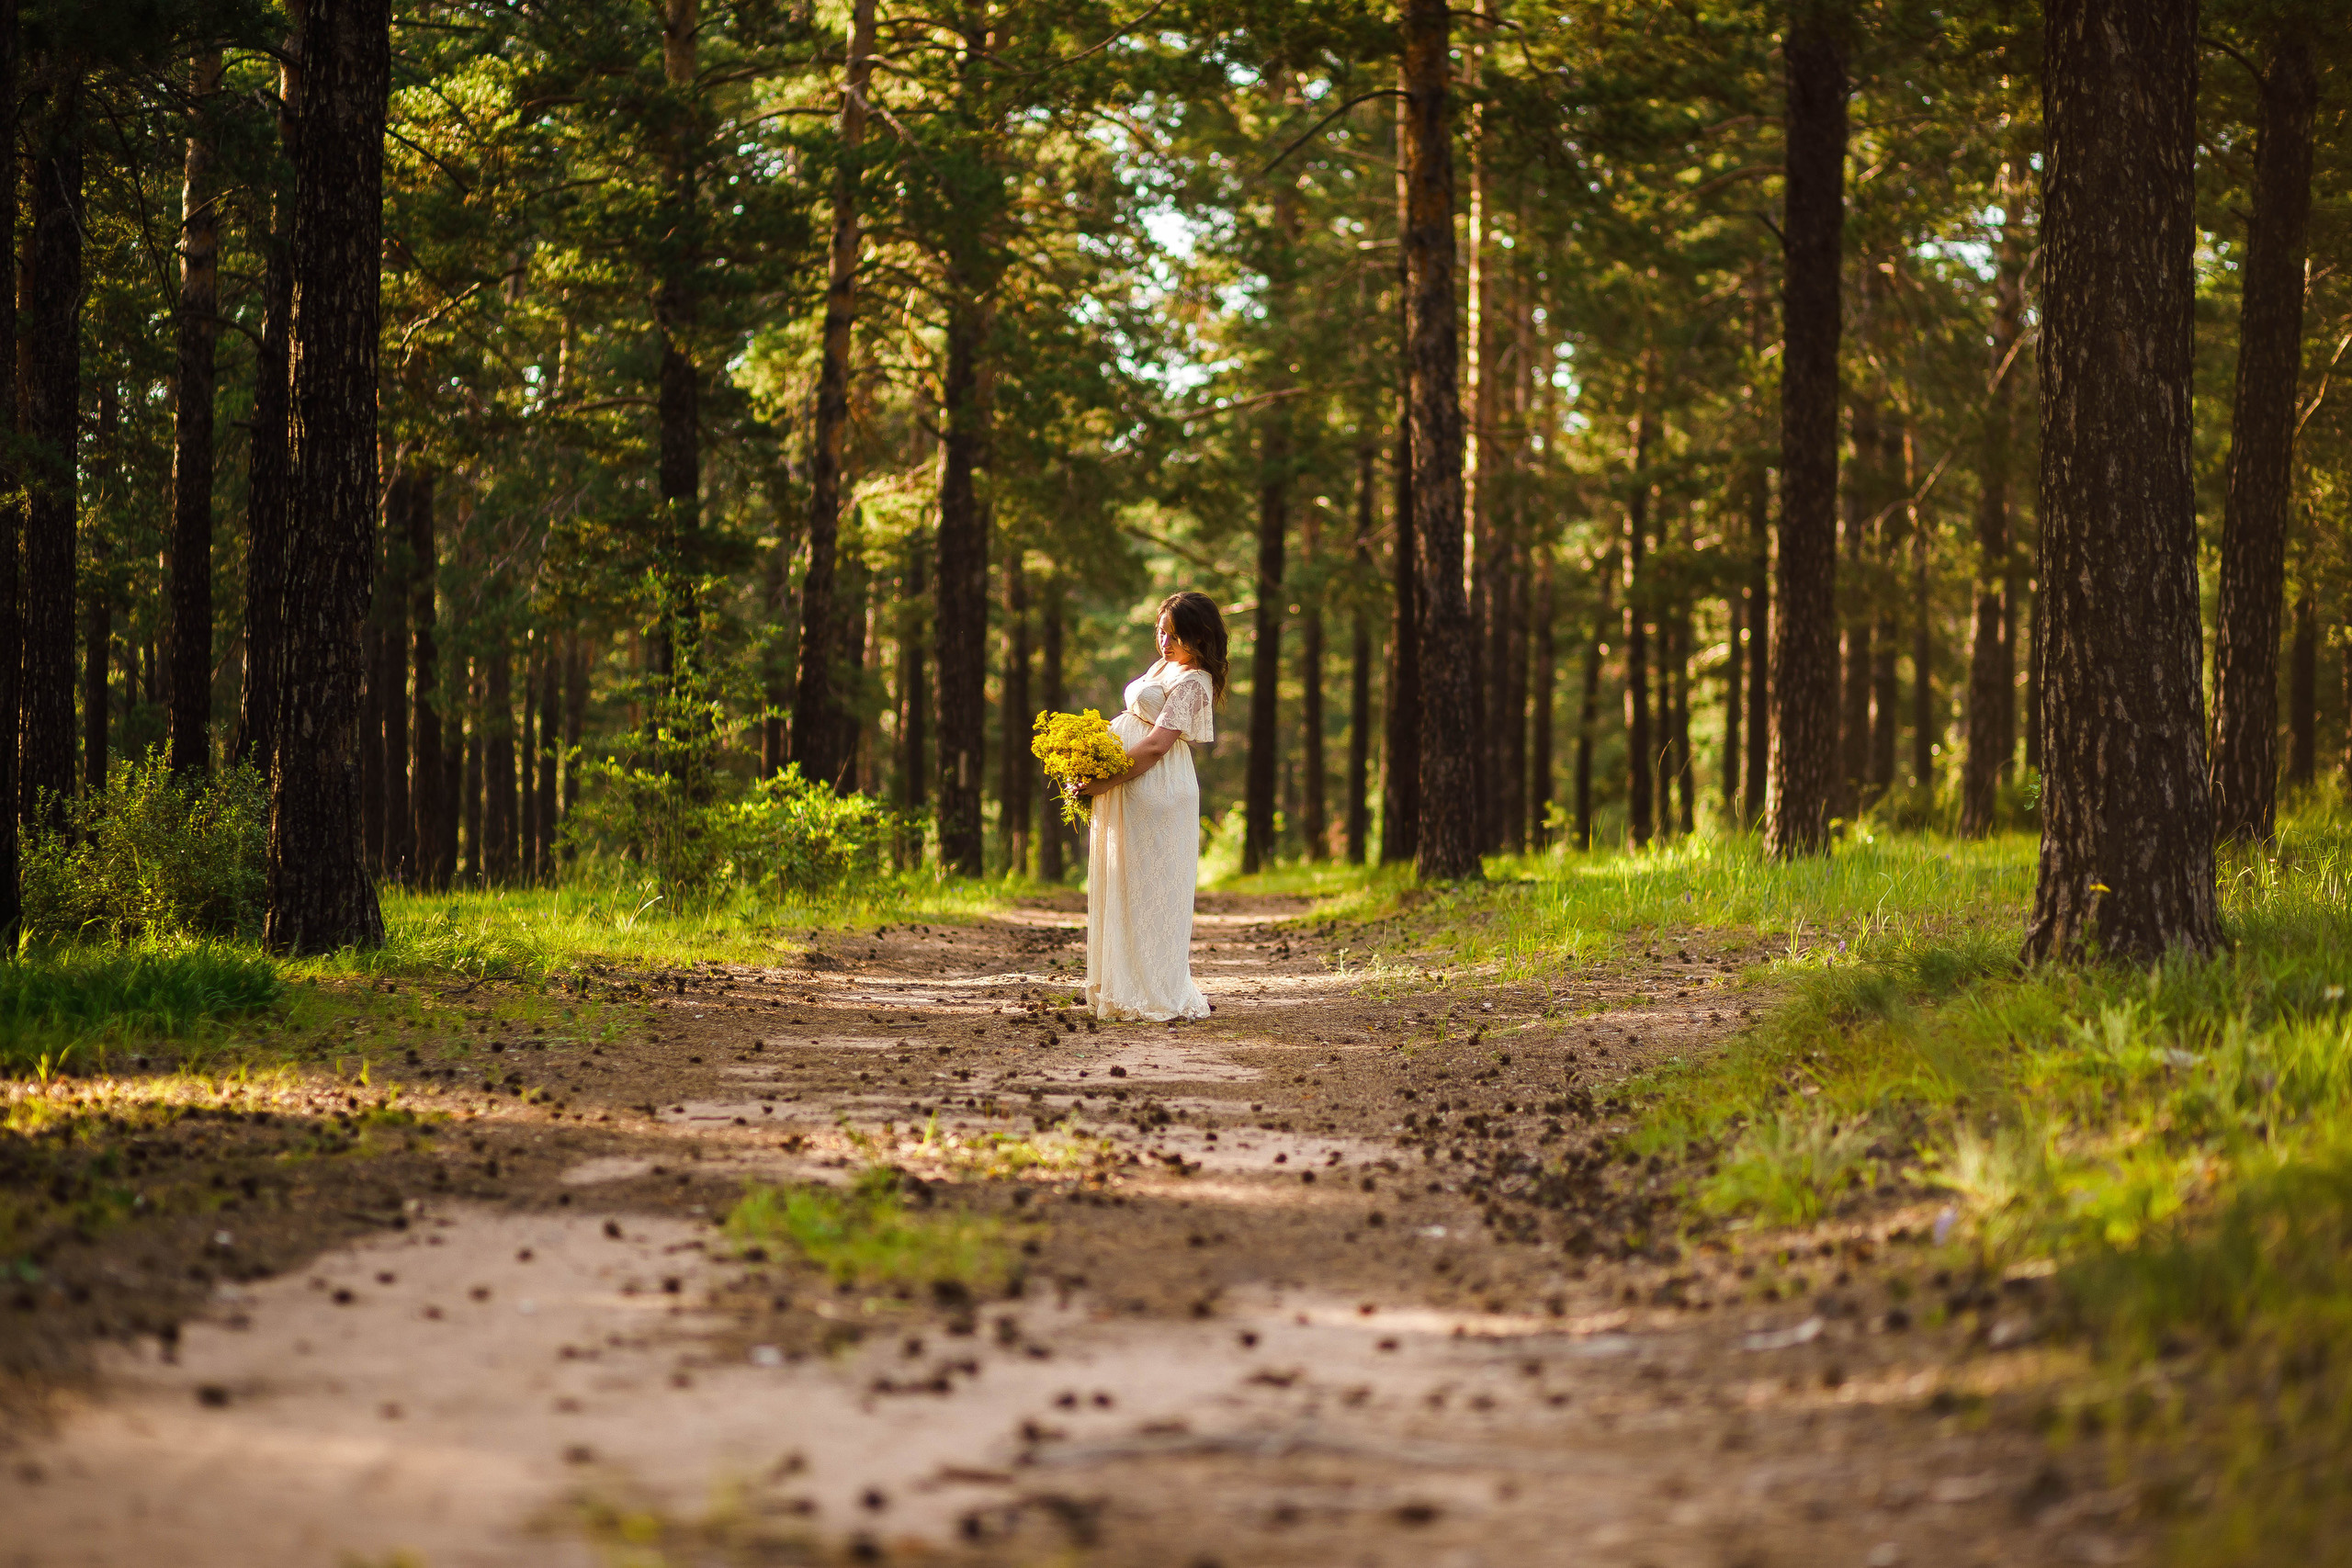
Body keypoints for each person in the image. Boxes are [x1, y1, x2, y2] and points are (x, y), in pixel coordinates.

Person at [1074, 591, 1227, 1021]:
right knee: (1123, 882)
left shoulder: (1196, 682)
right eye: (1161, 631)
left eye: (1175, 635)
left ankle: (1155, 990)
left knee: (1152, 889)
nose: (1164, 641)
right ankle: (1122, 985)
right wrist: (1085, 749)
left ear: (1200, 637)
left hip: (1156, 787)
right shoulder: (1166, 664)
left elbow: (1158, 745)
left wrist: (1103, 781)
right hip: (1128, 779)